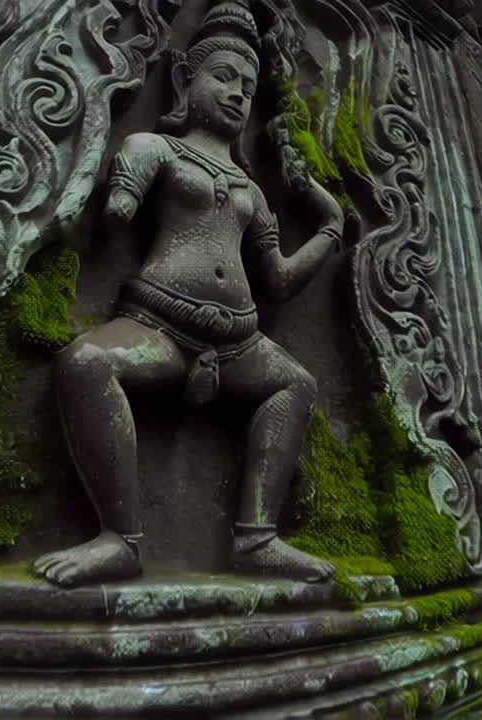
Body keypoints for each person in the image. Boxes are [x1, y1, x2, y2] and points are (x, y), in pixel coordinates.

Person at [32, 0, 344, 587]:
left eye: (247, 86)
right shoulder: (158, 149)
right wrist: (120, 189)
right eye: (222, 77)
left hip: (239, 341)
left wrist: (330, 229)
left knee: (296, 385)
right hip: (160, 325)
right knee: (85, 364)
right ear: (184, 79)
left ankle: (258, 538)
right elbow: (114, 211)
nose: (237, 94)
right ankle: (120, 538)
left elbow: (277, 279)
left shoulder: (251, 189)